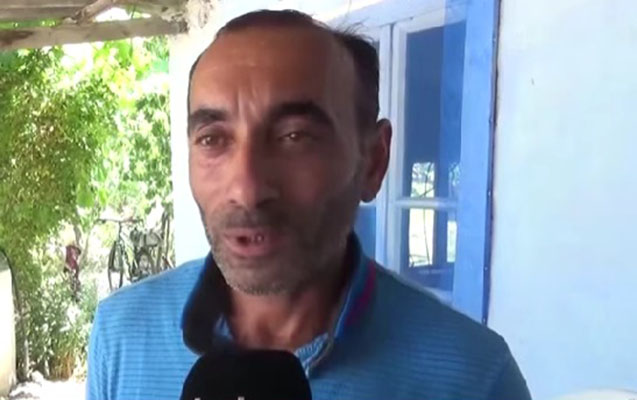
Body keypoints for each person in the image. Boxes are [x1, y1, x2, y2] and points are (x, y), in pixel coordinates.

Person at [86, 9, 531, 400]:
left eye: (294, 137)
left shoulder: (475, 377)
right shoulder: (122, 334)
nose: (247, 189)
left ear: (374, 161)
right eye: (213, 139)